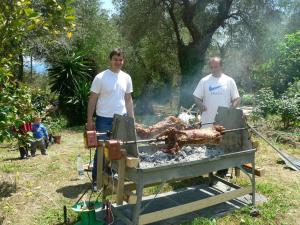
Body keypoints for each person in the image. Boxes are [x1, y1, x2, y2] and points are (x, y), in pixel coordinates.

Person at [87, 48, 134, 188]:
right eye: (115, 59)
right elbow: (92, 99)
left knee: (118, 148)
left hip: (122, 119)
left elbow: (128, 99)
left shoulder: (126, 77)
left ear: (123, 61)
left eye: (120, 60)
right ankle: (97, 179)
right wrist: (90, 119)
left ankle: (112, 173)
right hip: (104, 119)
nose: (118, 62)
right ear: (110, 60)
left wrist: (131, 119)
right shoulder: (100, 77)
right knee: (101, 149)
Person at [193, 56, 240, 177]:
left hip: (223, 122)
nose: (214, 69)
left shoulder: (229, 81)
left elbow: (236, 98)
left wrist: (231, 109)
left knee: (223, 145)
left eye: (216, 66)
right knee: (208, 147)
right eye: (212, 67)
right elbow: (196, 97)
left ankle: (222, 171)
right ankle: (208, 171)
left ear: (221, 66)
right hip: (208, 121)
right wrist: (200, 105)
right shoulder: (204, 81)